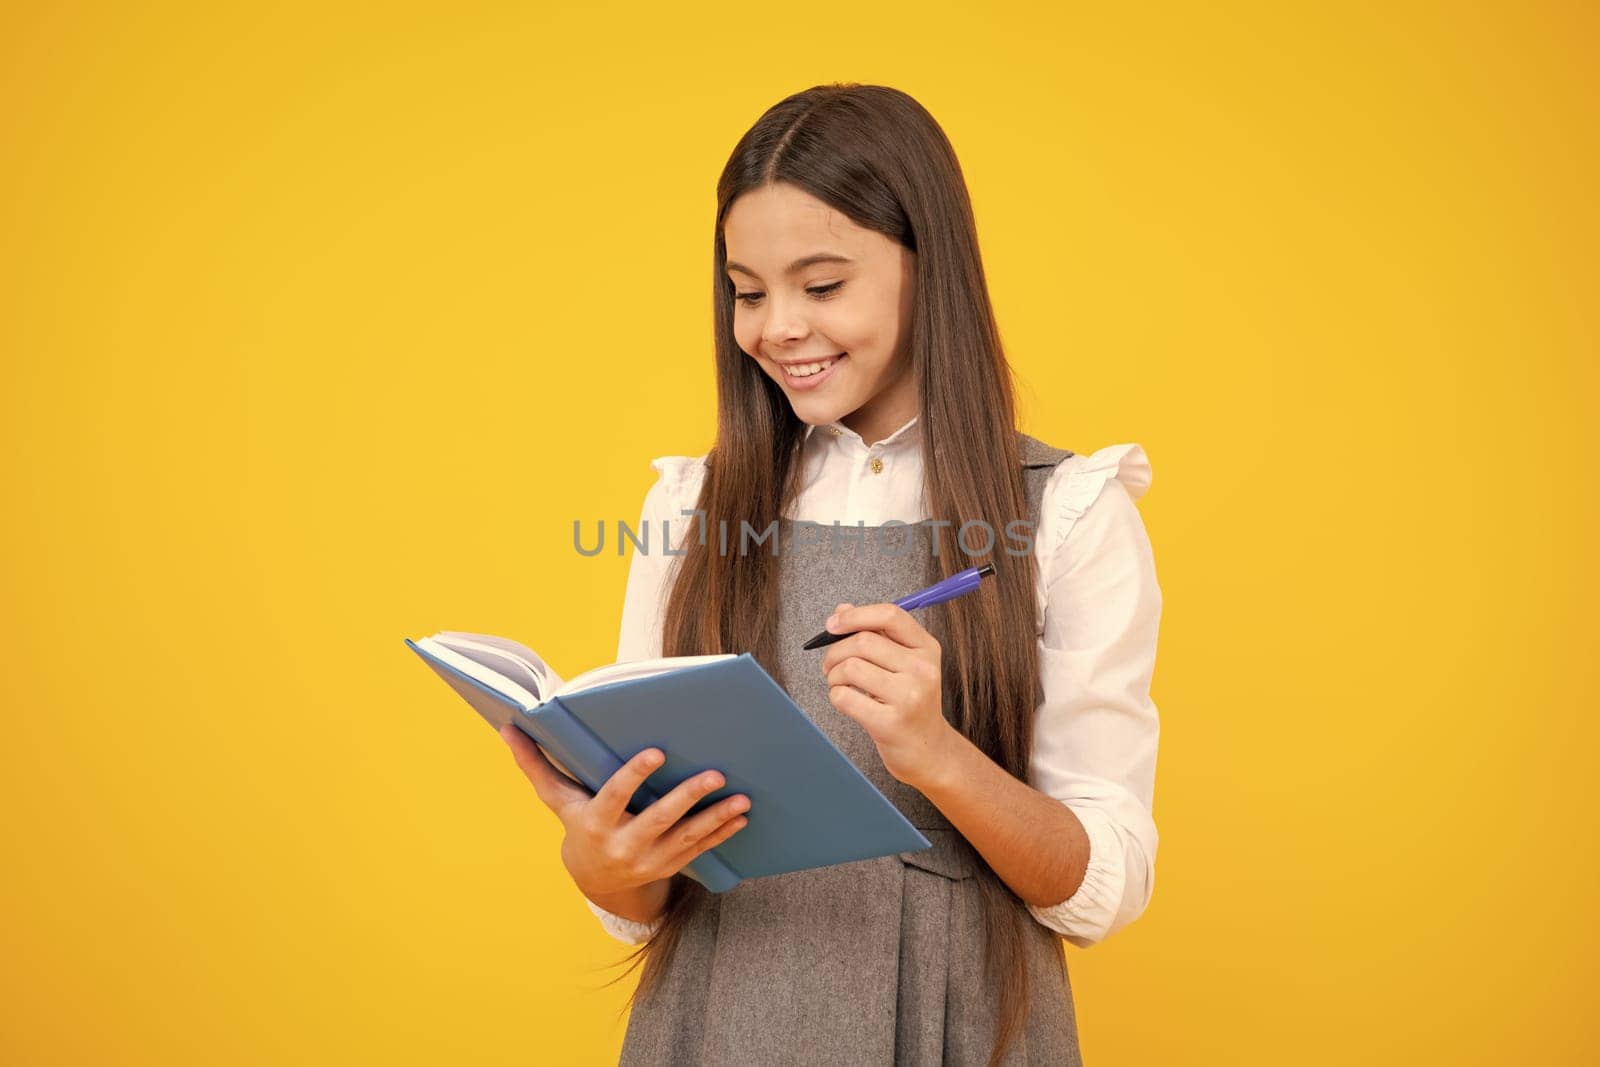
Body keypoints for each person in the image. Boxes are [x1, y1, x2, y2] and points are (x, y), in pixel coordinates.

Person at [497, 82, 1162, 1066]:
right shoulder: (688, 509)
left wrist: (935, 751)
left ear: (926, 268)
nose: (776, 327)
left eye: (821, 284)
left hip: (956, 1023)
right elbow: (641, 911)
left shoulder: (1066, 510)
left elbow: (1103, 882)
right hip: (716, 1023)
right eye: (748, 290)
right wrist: (600, 859)